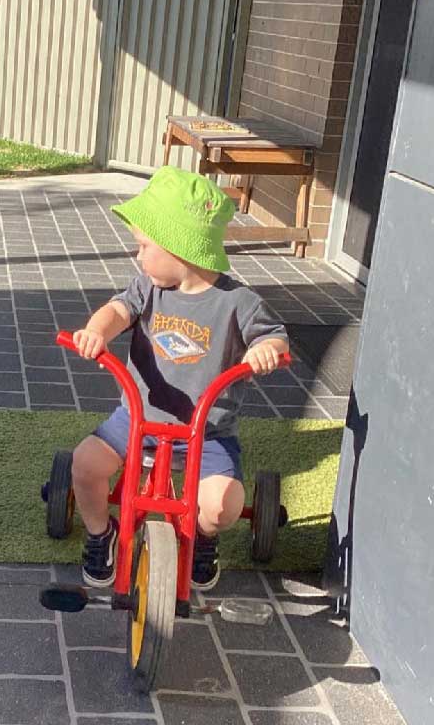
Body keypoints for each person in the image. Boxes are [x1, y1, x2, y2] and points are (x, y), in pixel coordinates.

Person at [68, 167, 288, 591]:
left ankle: (202, 538)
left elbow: (275, 338)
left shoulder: (238, 302)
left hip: (206, 432)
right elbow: (117, 311)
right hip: (138, 417)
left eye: (144, 245)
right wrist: (97, 331)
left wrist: (265, 351)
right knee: (85, 465)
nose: (138, 256)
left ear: (179, 247)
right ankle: (101, 534)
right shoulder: (148, 288)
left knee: (222, 506)